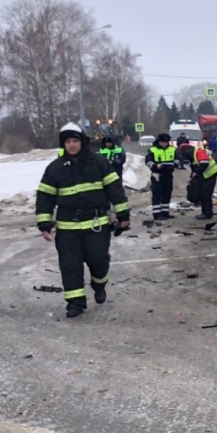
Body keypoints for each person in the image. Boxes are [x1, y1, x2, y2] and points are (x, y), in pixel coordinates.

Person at [35, 123, 130, 318]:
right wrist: (45, 224)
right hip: (67, 227)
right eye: (68, 142)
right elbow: (45, 197)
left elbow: (115, 189)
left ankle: (99, 283)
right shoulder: (55, 168)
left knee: (99, 260)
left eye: (75, 141)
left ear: (82, 142)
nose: (71, 145)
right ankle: (75, 303)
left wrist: (123, 216)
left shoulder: (99, 163)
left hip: (96, 224)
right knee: (70, 265)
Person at [145, 133, 177, 219]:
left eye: (166, 142)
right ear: (159, 141)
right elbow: (148, 162)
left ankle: (165, 213)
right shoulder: (152, 150)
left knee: (167, 194)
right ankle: (157, 214)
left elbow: (178, 159)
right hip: (157, 175)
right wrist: (156, 166)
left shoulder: (173, 149)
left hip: (168, 175)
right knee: (157, 194)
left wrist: (174, 164)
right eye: (162, 142)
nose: (164, 144)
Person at [190, 142, 217, 219]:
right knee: (207, 195)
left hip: (209, 175)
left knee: (205, 194)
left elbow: (204, 164)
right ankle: (208, 212)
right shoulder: (197, 152)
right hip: (210, 174)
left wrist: (196, 173)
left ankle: (206, 213)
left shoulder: (198, 152)